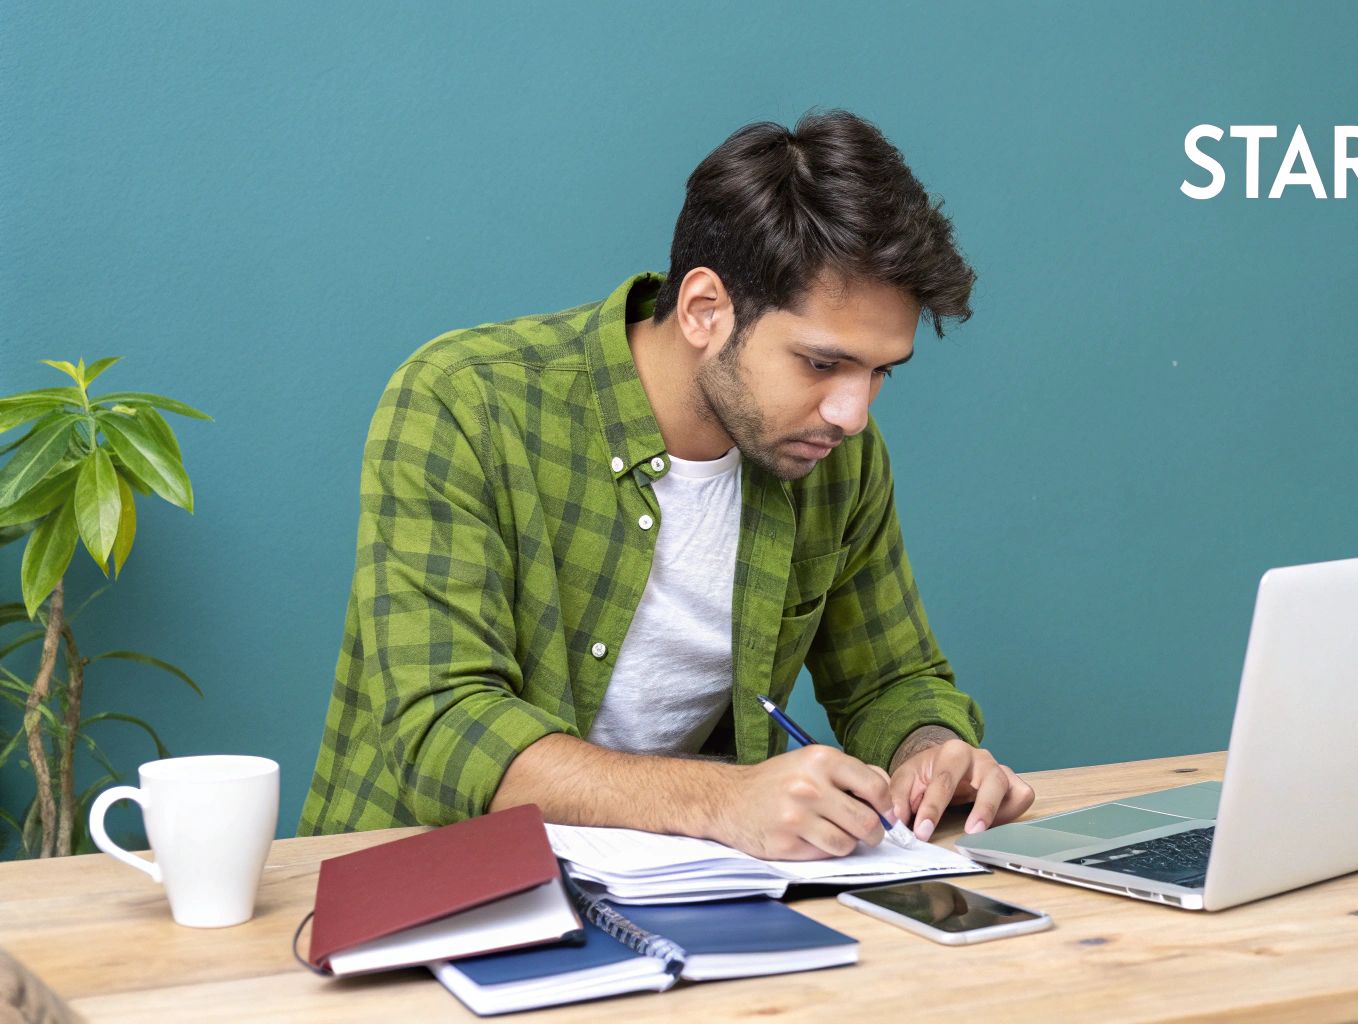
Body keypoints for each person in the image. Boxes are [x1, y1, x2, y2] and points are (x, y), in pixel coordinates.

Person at [299, 110, 1034, 859]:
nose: (852, 412)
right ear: (705, 309)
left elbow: (890, 680)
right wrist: (724, 799)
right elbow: (442, 730)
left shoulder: (835, 452)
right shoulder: (463, 402)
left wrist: (931, 752)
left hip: (681, 888)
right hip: (422, 886)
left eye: (880, 371)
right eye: (821, 363)